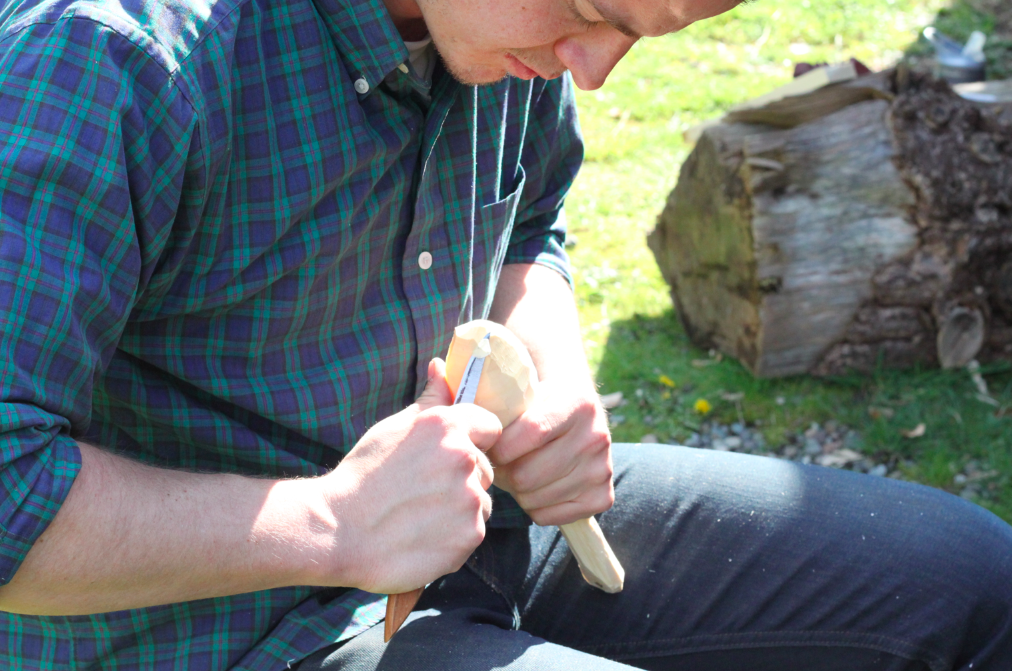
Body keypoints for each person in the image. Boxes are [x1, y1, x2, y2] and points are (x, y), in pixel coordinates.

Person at [0, 0, 1009, 667]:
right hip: (230, 633)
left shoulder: (500, 28)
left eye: (643, 30)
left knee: (976, 586)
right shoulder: (111, 58)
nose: (596, 65)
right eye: (588, 7)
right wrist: (333, 525)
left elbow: (532, 221)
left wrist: (554, 374)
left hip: (476, 531)